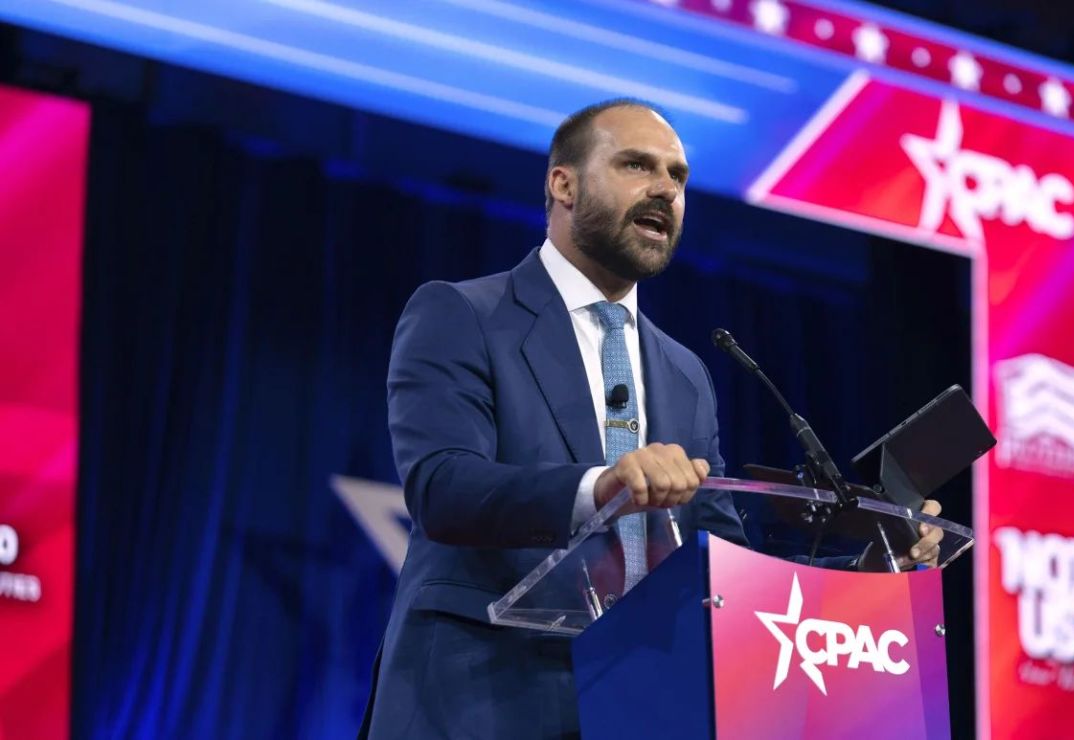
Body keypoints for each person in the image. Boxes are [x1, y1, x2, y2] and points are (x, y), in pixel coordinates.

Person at [357, 99, 943, 739]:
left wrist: (868, 564)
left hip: (638, 707)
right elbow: (444, 488)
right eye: (637, 165)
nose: (665, 188)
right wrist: (600, 486)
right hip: (478, 702)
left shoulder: (686, 372)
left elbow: (721, 561)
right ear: (564, 183)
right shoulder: (463, 314)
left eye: (678, 176)